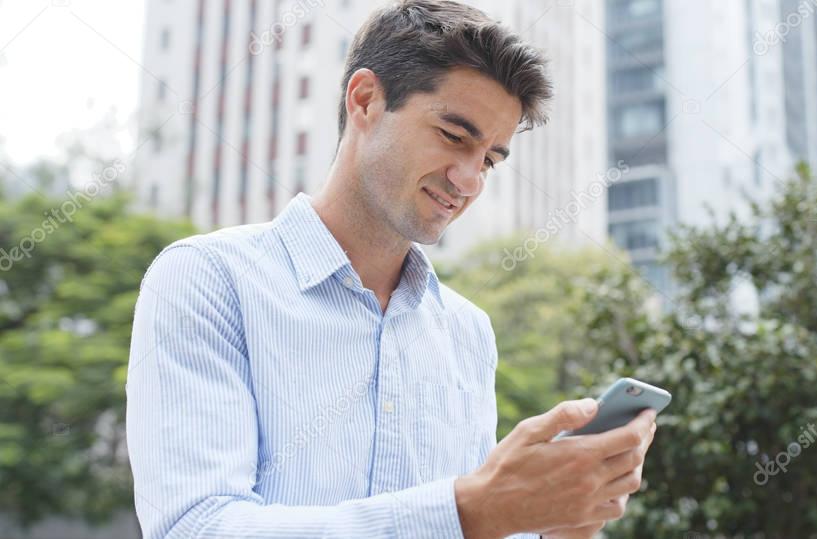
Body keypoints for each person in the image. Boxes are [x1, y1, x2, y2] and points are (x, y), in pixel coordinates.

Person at [126, 1, 658, 537]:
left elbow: (475, 522)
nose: (470, 180)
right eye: (454, 136)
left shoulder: (468, 332)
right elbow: (194, 527)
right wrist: (470, 510)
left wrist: (558, 523)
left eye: (491, 160)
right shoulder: (207, 281)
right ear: (365, 101)